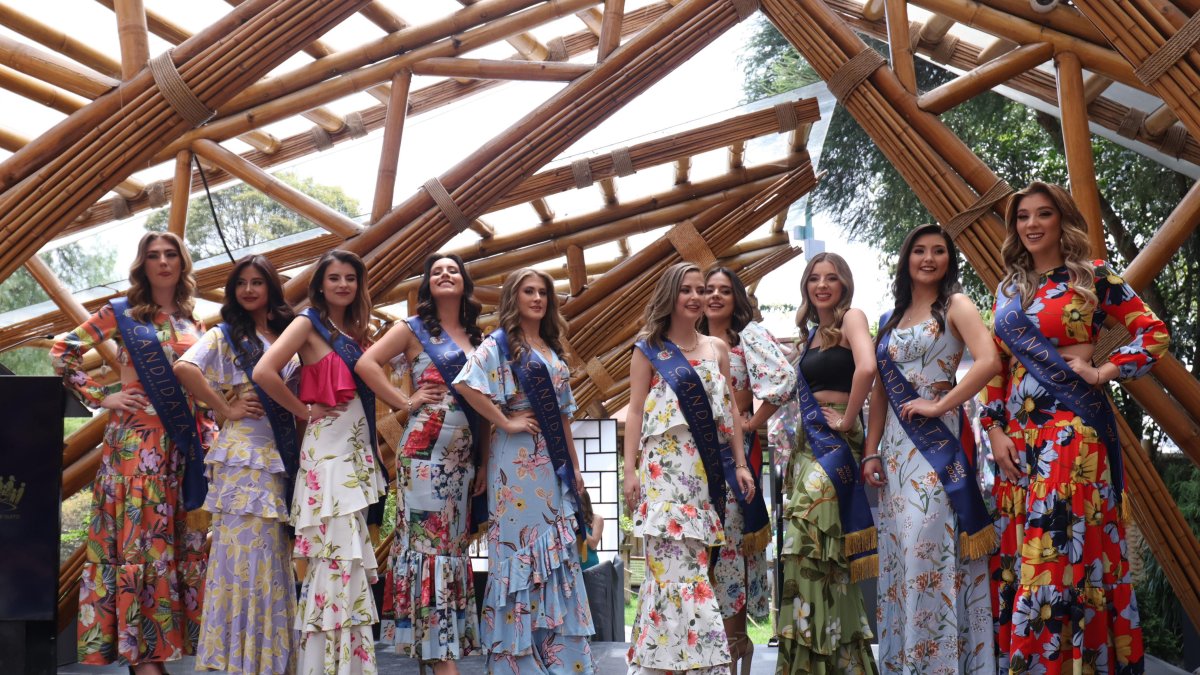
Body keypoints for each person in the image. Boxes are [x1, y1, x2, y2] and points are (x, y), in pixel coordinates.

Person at [984, 183, 1167, 674]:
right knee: (1034, 548)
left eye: (1044, 214)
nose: (1033, 224)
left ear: (1062, 220)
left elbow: (1154, 333)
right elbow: (995, 367)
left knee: (1053, 547)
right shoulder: (1008, 290)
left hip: (1073, 428)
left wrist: (1104, 371)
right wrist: (994, 428)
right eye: (1023, 216)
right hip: (1019, 439)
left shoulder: (1093, 278)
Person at [52, 232, 216, 674]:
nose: (163, 262)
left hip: (181, 452)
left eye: (170, 255)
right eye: (153, 256)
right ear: (142, 265)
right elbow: (63, 350)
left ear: (182, 264)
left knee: (172, 548)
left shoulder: (192, 322)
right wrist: (103, 395)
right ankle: (143, 658)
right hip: (134, 453)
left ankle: (158, 649)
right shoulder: (121, 314)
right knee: (138, 547)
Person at [863, 225, 998, 673]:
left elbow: (988, 361)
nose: (928, 258)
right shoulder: (889, 319)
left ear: (948, 260)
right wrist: (871, 450)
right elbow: (880, 392)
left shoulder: (956, 305)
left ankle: (941, 664)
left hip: (937, 448)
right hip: (897, 453)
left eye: (938, 251)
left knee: (929, 547)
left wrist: (942, 402)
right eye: (919, 250)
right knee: (903, 557)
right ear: (905, 259)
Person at [453, 267, 595, 675]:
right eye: (528, 291)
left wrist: (575, 468)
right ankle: (518, 663)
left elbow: (564, 414)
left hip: (551, 461)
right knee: (518, 552)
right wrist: (504, 421)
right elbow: (466, 384)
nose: (536, 298)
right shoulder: (500, 344)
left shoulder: (552, 348)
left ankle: (559, 659)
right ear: (513, 298)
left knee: (555, 552)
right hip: (513, 461)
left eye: (543, 293)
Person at [253, 249, 387, 675]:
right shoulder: (307, 323)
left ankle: (348, 662)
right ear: (320, 284)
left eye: (351, 277)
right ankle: (325, 665)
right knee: (332, 556)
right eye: (335, 278)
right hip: (326, 455)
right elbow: (264, 371)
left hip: (355, 451)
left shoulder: (357, 332)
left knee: (346, 558)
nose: (343, 285)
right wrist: (303, 409)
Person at [623, 261, 756, 675]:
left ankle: (693, 663)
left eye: (701, 289)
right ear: (670, 294)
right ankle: (663, 664)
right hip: (663, 472)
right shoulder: (648, 347)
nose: (697, 297)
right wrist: (629, 471)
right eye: (687, 289)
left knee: (697, 568)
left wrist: (740, 463)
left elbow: (731, 410)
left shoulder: (717, 348)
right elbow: (634, 410)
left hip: (703, 474)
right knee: (667, 570)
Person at [356, 253, 485, 673]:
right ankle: (441, 656)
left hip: (463, 461)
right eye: (436, 272)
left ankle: (437, 648)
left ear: (464, 281)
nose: (445, 275)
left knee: (451, 549)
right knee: (428, 550)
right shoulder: (411, 329)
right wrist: (405, 402)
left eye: (453, 269)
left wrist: (481, 462)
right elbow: (366, 363)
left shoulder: (478, 338)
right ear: (427, 285)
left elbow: (484, 405)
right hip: (424, 455)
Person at [174, 255, 299, 674]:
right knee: (242, 557)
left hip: (279, 456)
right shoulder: (227, 334)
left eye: (257, 282)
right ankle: (238, 662)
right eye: (241, 283)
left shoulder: (286, 330)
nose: (248, 290)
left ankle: (268, 659)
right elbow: (184, 367)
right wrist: (223, 407)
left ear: (271, 288)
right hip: (244, 457)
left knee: (272, 557)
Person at [775, 252, 878, 674]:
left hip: (836, 440)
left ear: (843, 285)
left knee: (807, 535)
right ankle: (831, 662)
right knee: (823, 554)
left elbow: (867, 367)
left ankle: (819, 656)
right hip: (806, 444)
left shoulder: (852, 317)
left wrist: (851, 417)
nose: (822, 285)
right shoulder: (813, 335)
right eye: (814, 278)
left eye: (831, 278)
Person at [700, 266, 794, 675]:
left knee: (731, 551)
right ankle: (699, 649)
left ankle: (735, 650)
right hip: (691, 462)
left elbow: (784, 378)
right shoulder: (683, 339)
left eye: (725, 290)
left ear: (737, 298)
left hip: (732, 458)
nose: (716, 296)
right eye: (708, 290)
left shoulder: (747, 338)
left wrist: (753, 423)